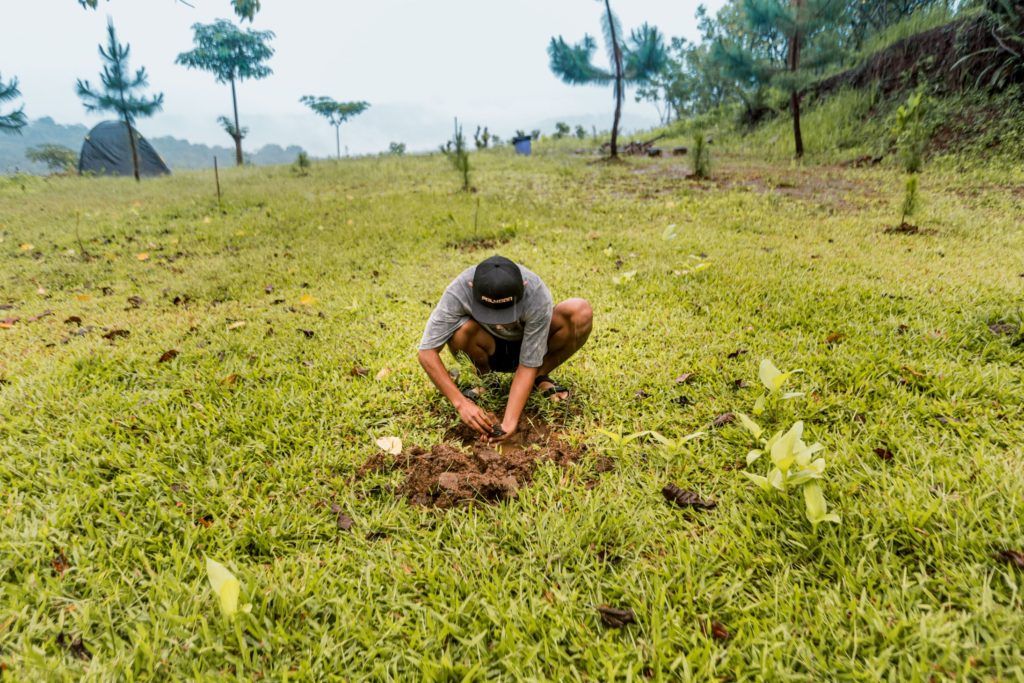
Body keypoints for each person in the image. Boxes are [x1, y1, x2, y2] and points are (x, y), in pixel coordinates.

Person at [417, 255, 593, 443]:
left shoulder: (536, 292)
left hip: (531, 346)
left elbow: (527, 364)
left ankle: (539, 377)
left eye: (506, 312)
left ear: (524, 285)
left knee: (579, 311)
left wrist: (509, 423)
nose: (500, 322)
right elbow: (426, 352)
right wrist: (461, 404)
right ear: (471, 287)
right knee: (461, 331)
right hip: (485, 345)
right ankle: (487, 380)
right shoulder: (459, 290)